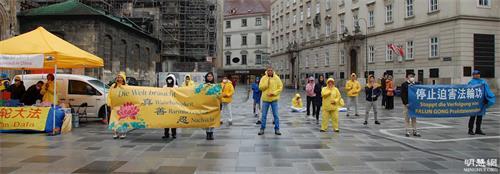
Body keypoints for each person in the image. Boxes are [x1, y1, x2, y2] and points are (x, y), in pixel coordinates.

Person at [468, 70, 496, 135]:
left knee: (480, 117)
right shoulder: (471, 83)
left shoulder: (483, 82)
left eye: (478, 74)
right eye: (476, 74)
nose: (477, 75)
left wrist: (487, 98)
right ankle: (470, 130)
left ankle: (478, 129)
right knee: (472, 116)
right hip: (474, 102)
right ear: (473, 75)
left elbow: (487, 90)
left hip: (482, 101)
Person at [258, 66, 283, 136]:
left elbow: (280, 87)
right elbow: (260, 87)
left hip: (274, 99)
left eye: (271, 70)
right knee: (264, 115)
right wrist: (266, 84)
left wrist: (274, 93)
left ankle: (277, 129)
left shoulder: (277, 78)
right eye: (268, 70)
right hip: (265, 99)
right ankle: (262, 128)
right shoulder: (263, 78)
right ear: (266, 71)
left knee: (276, 115)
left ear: (273, 71)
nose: (270, 72)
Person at [200, 72, 220, 140]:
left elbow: (219, 95)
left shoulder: (215, 85)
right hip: (205, 105)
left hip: (214, 105)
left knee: (212, 120)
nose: (209, 77)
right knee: (206, 120)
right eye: (208, 76)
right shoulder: (203, 85)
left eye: (211, 76)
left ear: (213, 77)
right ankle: (207, 133)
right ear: (206, 77)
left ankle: (211, 133)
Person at [108, 72, 128, 139]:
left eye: (121, 77)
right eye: (118, 77)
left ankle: (123, 133)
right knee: (114, 120)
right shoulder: (113, 86)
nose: (119, 79)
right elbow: (110, 95)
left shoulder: (126, 87)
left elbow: (129, 95)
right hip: (115, 106)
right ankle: (115, 133)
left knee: (122, 120)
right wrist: (110, 104)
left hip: (123, 107)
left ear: (123, 79)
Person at [401, 72, 420, 137]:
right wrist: (406, 103)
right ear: (407, 77)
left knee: (414, 118)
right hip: (407, 104)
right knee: (407, 118)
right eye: (410, 76)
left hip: (414, 104)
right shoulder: (404, 84)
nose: (412, 77)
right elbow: (402, 95)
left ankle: (415, 131)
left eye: (413, 76)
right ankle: (407, 131)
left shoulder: (417, 84)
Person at [162, 74, 178, 139]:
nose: (169, 80)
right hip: (166, 106)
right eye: (168, 79)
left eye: (171, 79)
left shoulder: (176, 87)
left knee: (173, 121)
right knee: (166, 121)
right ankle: (166, 133)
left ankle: (174, 134)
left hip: (174, 106)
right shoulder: (164, 87)